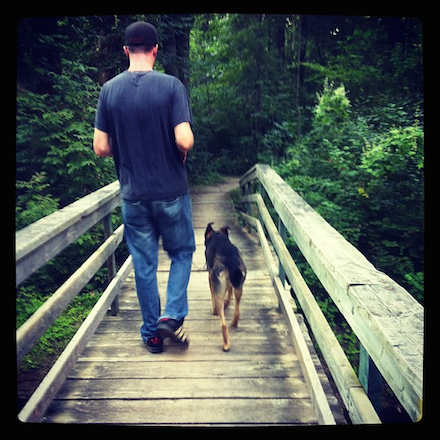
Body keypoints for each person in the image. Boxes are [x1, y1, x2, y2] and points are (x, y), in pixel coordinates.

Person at [93, 21, 195, 354]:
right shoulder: (171, 87)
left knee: (145, 264)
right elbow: (184, 139)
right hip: (171, 191)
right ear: (155, 49)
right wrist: (178, 149)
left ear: (126, 51)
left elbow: (101, 147)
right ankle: (173, 314)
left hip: (133, 195)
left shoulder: (109, 91)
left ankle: (152, 333)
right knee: (181, 253)